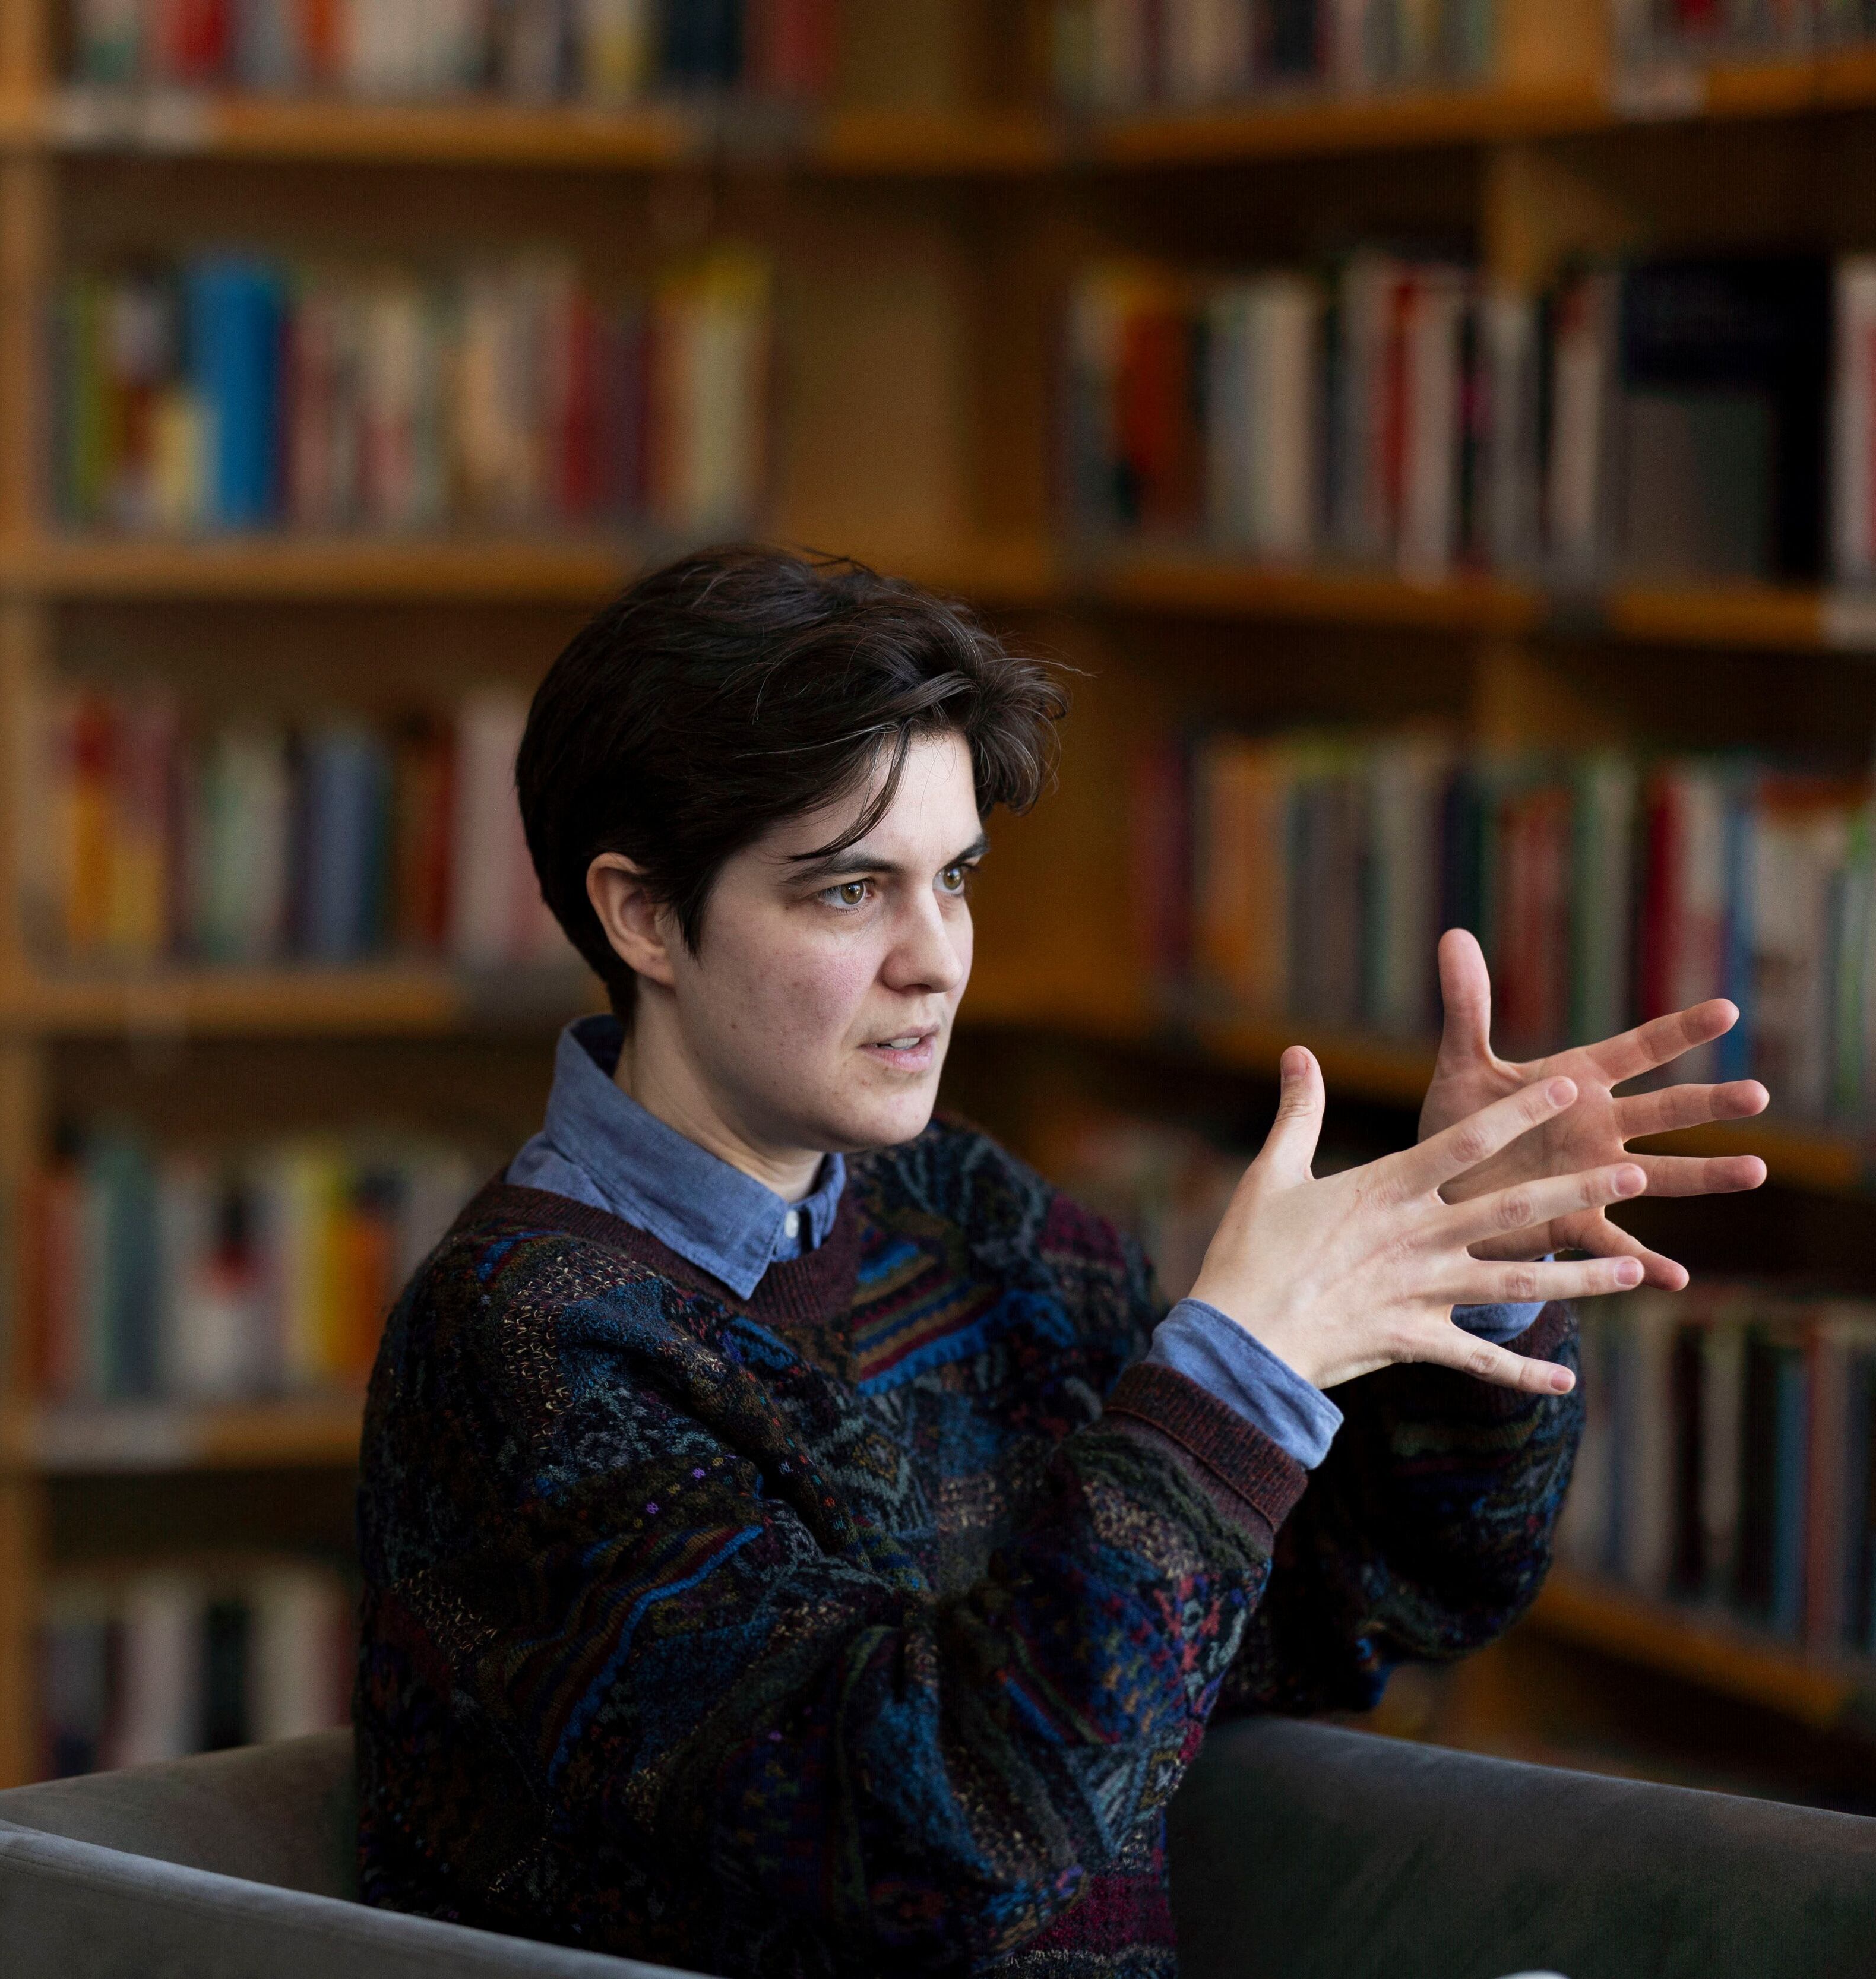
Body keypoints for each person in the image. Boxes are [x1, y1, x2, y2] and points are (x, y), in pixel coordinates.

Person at [352, 547, 1771, 1979]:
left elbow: (1327, 1610)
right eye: (849, 893)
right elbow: (943, 1838)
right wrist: (1232, 1378)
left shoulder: (960, 1203)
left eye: (953, 877)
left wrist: (1466, 1266)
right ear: (643, 914)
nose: (937, 959)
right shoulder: (524, 1340)